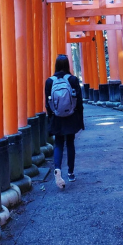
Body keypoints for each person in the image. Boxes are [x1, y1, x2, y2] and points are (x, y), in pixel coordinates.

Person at [44, 54, 85, 190]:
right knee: (70, 143)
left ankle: (57, 169)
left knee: (58, 144)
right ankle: (71, 173)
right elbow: (79, 101)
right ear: (68, 65)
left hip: (57, 117)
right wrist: (80, 118)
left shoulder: (49, 81)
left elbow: (47, 103)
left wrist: (51, 116)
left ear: (55, 65)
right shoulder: (73, 80)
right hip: (71, 115)